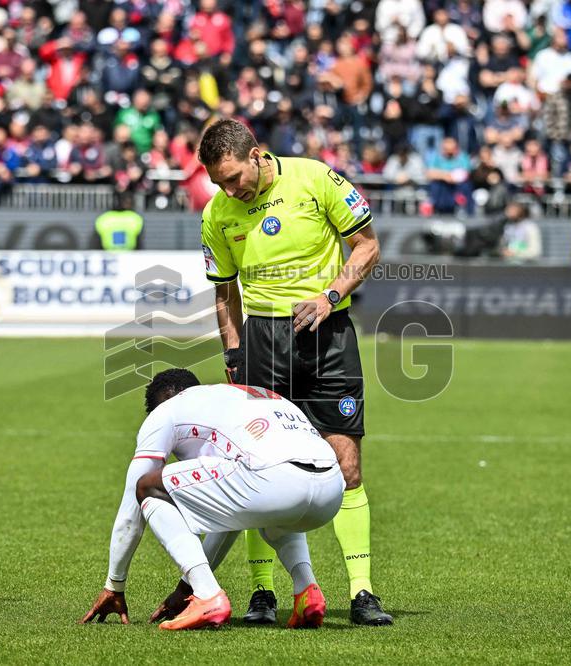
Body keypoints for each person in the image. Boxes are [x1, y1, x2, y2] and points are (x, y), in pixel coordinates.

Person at [197, 119, 391, 626]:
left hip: (328, 334)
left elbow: (368, 246)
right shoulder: (216, 213)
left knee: (347, 465)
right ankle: (262, 593)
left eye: (233, 178)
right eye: (218, 182)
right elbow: (224, 291)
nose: (229, 190)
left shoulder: (316, 178)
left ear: (256, 155)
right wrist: (234, 353)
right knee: (259, 469)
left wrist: (330, 295)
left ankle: (362, 593)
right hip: (262, 341)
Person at [79, 370, 344, 630]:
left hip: (273, 480)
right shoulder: (231, 396)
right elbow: (230, 512)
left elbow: (131, 508)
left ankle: (208, 595)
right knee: (274, 499)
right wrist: (185, 588)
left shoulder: (165, 412)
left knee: (148, 487)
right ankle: (307, 591)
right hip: (331, 487)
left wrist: (115, 585)